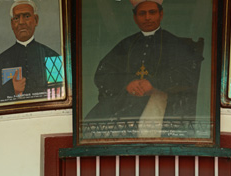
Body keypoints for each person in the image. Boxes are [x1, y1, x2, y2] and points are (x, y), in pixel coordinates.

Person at [85, 0, 202, 138]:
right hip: (124, 102)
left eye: (152, 12)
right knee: (90, 128)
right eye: (142, 13)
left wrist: (154, 84)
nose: (147, 17)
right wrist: (127, 83)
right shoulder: (126, 44)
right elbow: (103, 73)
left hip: (161, 102)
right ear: (135, 18)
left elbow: (188, 73)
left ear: (161, 14)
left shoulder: (175, 44)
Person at [0, 0, 62, 103]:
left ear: (36, 20)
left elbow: (59, 94)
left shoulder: (52, 57)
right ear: (12, 24)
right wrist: (13, 89)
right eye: (17, 18)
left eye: (26, 16)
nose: (21, 22)